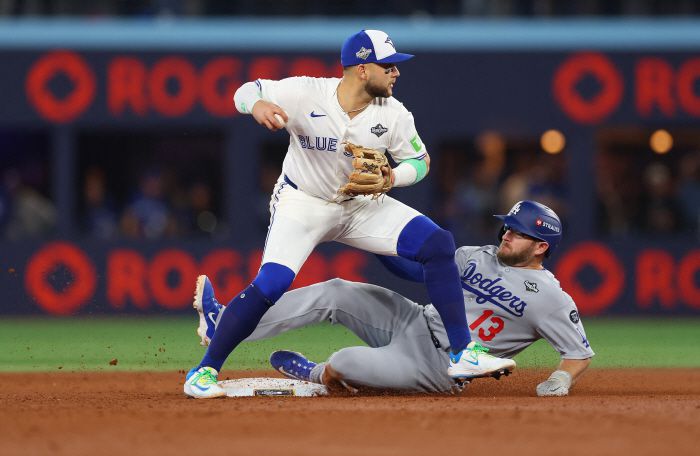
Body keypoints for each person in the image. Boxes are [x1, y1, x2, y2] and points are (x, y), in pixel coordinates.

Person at [183, 29, 514, 398]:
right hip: (304, 202)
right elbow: (246, 90)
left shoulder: (394, 114)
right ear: (360, 68)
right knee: (272, 284)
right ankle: (204, 371)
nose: (396, 73)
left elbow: (420, 161)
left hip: (360, 204)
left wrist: (392, 177)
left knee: (437, 243)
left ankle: (463, 352)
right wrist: (257, 105)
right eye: (387, 65)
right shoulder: (307, 92)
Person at [193, 200, 594, 396]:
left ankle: (318, 374)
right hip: (414, 319)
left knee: (343, 362)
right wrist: (373, 242)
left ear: (541, 247)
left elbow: (578, 353)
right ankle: (224, 323)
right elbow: (421, 274)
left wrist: (561, 377)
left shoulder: (550, 297)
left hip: (437, 366)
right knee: (337, 290)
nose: (506, 234)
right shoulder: (479, 256)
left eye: (517, 232)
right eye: (507, 226)